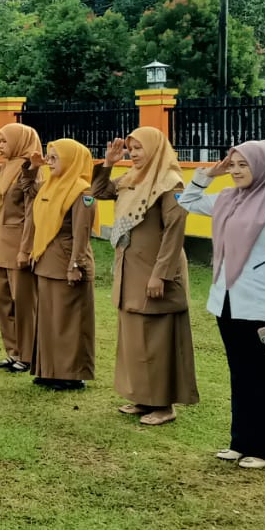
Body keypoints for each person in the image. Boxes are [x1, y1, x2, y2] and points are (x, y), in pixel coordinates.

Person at [179, 142, 265, 469]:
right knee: (240, 374)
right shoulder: (227, 200)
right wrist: (209, 174)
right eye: (232, 164)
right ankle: (241, 442)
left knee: (263, 375)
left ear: (264, 167)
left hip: (263, 307)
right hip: (228, 304)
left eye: (242, 165)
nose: (235, 170)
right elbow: (184, 201)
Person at [92, 128, 198, 425]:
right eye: (131, 148)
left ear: (155, 148)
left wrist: (160, 275)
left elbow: (174, 233)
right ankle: (142, 397)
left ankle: (164, 405)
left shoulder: (170, 183)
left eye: (139, 148)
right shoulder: (132, 179)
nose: (134, 154)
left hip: (154, 270)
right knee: (135, 337)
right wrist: (109, 163)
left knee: (157, 338)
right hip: (130, 268)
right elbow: (99, 192)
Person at [21, 138, 95, 390]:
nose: (49, 163)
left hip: (66, 265)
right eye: (48, 158)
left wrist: (76, 265)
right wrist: (32, 168)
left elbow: (81, 233)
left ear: (71, 160)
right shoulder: (51, 186)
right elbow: (27, 190)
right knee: (49, 320)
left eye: (54, 158)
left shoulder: (81, 191)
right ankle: (49, 369)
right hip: (46, 262)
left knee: (69, 321)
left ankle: (71, 374)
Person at [0, 123, 42, 373]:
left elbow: (32, 213)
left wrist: (25, 249)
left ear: (20, 141)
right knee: (3, 298)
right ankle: (12, 351)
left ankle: (28, 354)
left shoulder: (31, 169)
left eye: (4, 141)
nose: (1, 145)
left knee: (23, 301)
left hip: (18, 244)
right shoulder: (8, 166)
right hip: (2, 243)